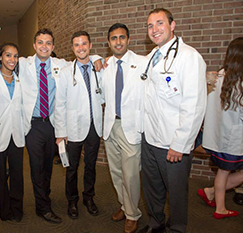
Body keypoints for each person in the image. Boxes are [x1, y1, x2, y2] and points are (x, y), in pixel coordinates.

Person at [0, 28, 101, 224]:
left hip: (53, 124)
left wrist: (97, 57)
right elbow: (5, 61)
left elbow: (82, 58)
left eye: (48, 43)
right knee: (37, 167)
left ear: (53, 47)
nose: (44, 46)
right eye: (40, 42)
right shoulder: (24, 63)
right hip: (34, 125)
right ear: (34, 45)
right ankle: (42, 208)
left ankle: (44, 197)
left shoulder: (60, 65)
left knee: (48, 167)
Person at [139, 8, 207, 233]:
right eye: (150, 26)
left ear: (172, 25)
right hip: (149, 138)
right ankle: (155, 223)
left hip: (172, 143)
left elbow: (194, 105)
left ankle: (176, 229)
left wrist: (180, 144)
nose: (154, 30)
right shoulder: (150, 58)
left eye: (160, 23)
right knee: (152, 188)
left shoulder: (189, 57)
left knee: (176, 192)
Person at [100, 23, 148, 233]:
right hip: (111, 126)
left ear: (128, 40)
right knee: (116, 173)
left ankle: (133, 214)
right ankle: (125, 206)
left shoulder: (142, 63)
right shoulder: (104, 65)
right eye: (113, 38)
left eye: (122, 38)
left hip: (130, 127)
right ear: (109, 42)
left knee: (130, 175)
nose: (118, 42)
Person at [55, 31, 102, 220]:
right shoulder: (66, 73)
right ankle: (72, 200)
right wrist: (60, 132)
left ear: (90, 45)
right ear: (73, 48)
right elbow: (60, 104)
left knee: (91, 166)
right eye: (76, 45)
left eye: (84, 44)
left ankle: (88, 198)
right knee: (72, 167)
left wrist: (99, 58)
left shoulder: (99, 69)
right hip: (73, 127)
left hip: (94, 125)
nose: (81, 48)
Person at [198, 37, 243, 219]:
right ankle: (219, 207)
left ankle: (212, 194)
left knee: (223, 172)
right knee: (225, 173)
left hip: (217, 138)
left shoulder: (217, 78)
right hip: (232, 140)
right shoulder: (239, 83)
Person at [0, 42, 25, 222]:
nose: (12, 59)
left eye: (15, 56)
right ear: (0, 57)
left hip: (16, 133)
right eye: (8, 55)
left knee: (17, 174)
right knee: (0, 175)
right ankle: (5, 210)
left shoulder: (20, 78)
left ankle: (17, 208)